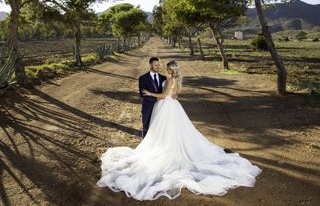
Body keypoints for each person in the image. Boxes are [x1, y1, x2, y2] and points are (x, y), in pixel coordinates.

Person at [97, 60, 262, 201]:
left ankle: (165, 150)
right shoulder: (176, 80)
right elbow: (175, 95)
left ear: (170, 69)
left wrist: (149, 92)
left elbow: (163, 96)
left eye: (167, 68)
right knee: (173, 131)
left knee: (163, 131)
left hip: (165, 107)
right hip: (174, 106)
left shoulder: (169, 80)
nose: (166, 70)